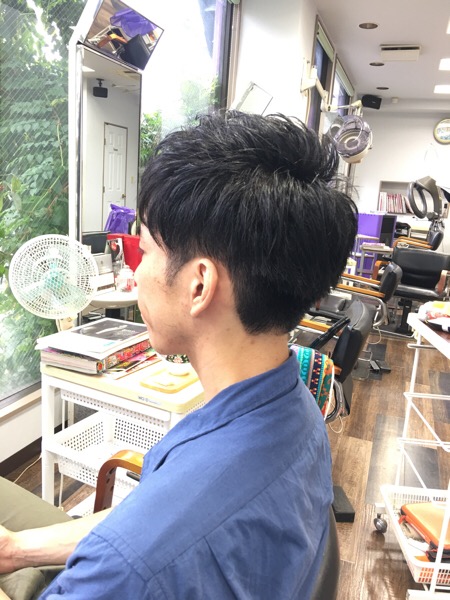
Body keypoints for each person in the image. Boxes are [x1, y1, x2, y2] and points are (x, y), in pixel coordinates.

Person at [0, 111, 357, 599]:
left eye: (144, 251)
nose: (134, 275)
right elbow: (145, 517)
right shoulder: (298, 410)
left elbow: (141, 549)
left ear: (199, 285)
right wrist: (15, 549)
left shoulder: (127, 571)